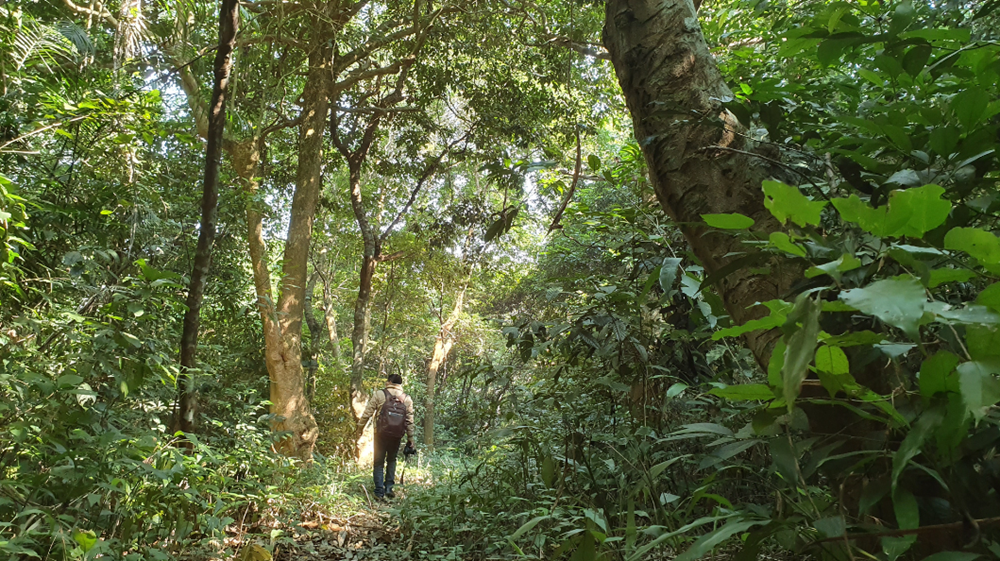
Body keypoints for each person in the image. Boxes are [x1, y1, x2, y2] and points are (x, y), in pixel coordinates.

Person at [356, 373, 415, 500]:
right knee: (392, 460)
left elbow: (367, 413)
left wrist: (359, 427)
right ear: (400, 384)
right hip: (397, 435)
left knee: (378, 462)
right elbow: (409, 421)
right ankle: (389, 487)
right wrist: (411, 439)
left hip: (381, 433)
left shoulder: (379, 394)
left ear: (388, 382)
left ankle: (379, 491)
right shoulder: (407, 399)